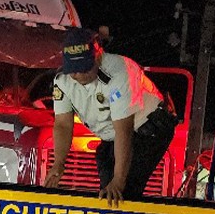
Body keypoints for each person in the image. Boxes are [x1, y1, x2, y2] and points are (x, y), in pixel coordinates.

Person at [44, 27, 178, 204]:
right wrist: (58, 163)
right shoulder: (62, 80)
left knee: (122, 192)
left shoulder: (120, 72)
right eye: (73, 69)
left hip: (149, 127)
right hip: (113, 136)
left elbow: (124, 131)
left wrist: (119, 181)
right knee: (107, 189)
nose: (78, 75)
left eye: (84, 68)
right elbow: (62, 124)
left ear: (98, 57)